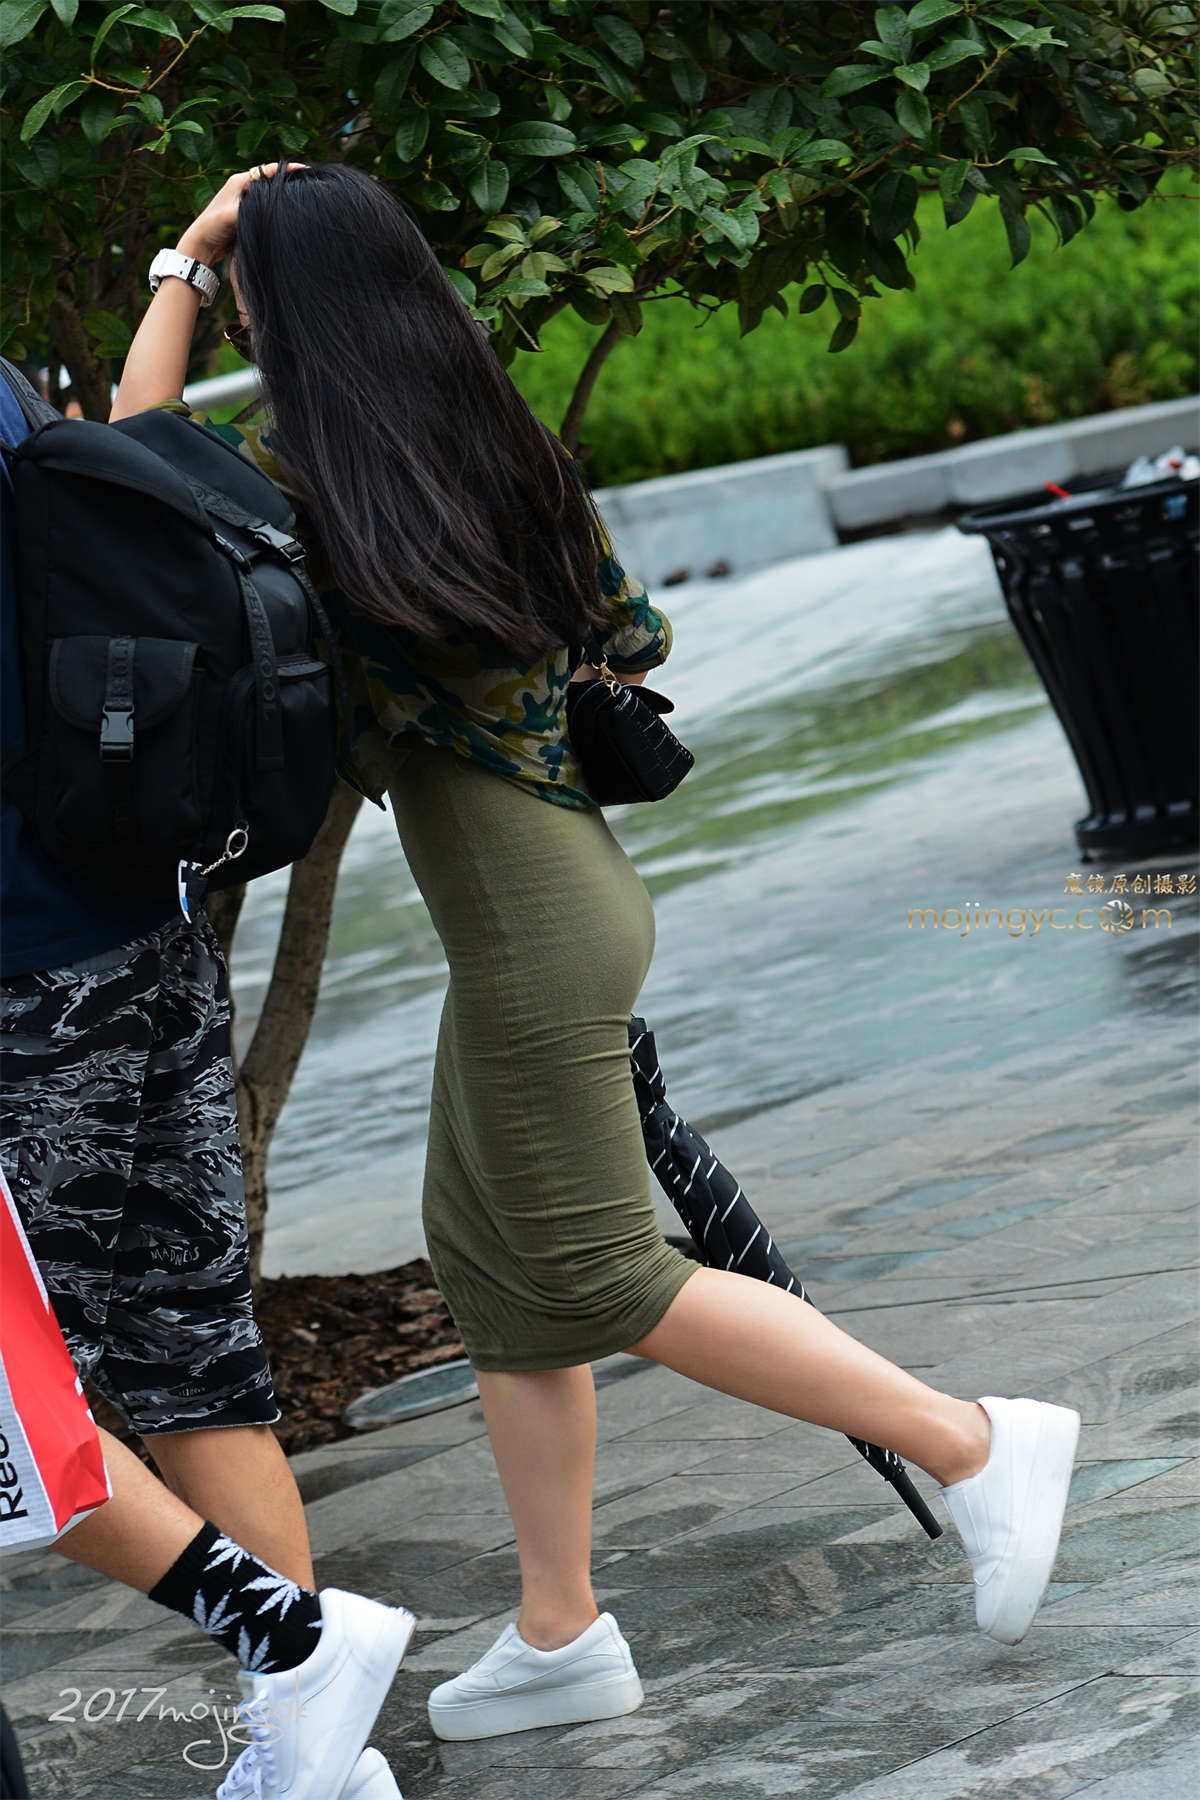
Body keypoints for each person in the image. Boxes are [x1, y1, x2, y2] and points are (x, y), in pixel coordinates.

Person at [112, 159, 1081, 1746]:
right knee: (492, 1265)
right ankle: (559, 1631)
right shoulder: (493, 450)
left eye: (255, 302)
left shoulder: (315, 498)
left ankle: (972, 1442)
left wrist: (188, 258)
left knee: (600, 1269)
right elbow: (637, 639)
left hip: (528, 939)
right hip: (565, 896)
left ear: (290, 317)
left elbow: (127, 450)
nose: (242, 321)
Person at [0, 361, 411, 1797]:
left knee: (17, 1411)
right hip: (138, 919)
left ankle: (295, 1652)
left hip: (26, 979)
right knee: (190, 1363)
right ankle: (319, 1758)